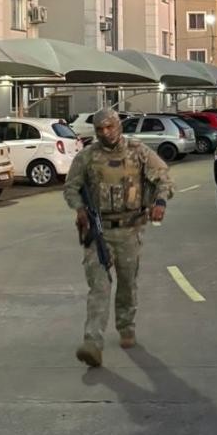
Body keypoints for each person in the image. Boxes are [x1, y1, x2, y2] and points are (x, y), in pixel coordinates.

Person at [63, 108, 173, 368]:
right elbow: (71, 187)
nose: (105, 133)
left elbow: (164, 179)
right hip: (97, 230)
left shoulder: (139, 152)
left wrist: (160, 202)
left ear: (118, 126)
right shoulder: (87, 156)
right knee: (99, 287)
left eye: (109, 127)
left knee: (127, 282)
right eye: (100, 129)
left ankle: (126, 325)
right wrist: (79, 209)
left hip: (129, 230)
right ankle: (92, 342)